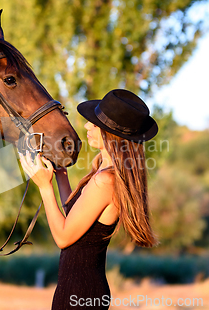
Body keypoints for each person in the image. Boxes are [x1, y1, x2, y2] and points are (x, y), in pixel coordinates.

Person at [19, 89, 159, 310]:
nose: (86, 127)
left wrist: (45, 188)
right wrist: (60, 174)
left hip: (81, 292)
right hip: (80, 288)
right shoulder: (105, 173)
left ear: (109, 134)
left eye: (94, 124)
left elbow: (64, 237)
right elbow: (75, 219)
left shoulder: (105, 181)